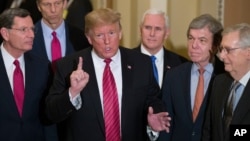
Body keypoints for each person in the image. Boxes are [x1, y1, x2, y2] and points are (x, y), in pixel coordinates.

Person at [45, 8, 171, 141]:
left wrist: (152, 122)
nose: (107, 41)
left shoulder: (141, 64)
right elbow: (51, 113)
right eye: (99, 35)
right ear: (89, 38)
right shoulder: (68, 66)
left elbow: (154, 101)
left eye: (112, 33)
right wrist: (72, 92)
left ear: (120, 33)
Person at [158, 14, 225, 141]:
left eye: (202, 40)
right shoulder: (173, 76)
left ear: (215, 45)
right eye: (191, 38)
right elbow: (166, 125)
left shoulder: (226, 76)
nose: (194, 45)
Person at [0, 8, 55, 141]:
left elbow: (47, 114)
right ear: (5, 33)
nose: (31, 35)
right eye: (24, 30)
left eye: (32, 29)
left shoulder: (42, 66)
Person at [202, 23, 250, 141]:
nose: (221, 56)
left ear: (248, 53)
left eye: (228, 50)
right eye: (221, 49)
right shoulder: (219, 82)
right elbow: (208, 130)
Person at [133, 9, 188, 88]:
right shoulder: (126, 60)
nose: (152, 34)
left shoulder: (180, 64)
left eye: (158, 29)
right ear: (140, 30)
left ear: (167, 33)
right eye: (148, 28)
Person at [31, 0, 90, 66]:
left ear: (64, 3)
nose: (53, 10)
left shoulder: (81, 37)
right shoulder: (28, 36)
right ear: (38, 6)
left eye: (57, 3)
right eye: (47, 4)